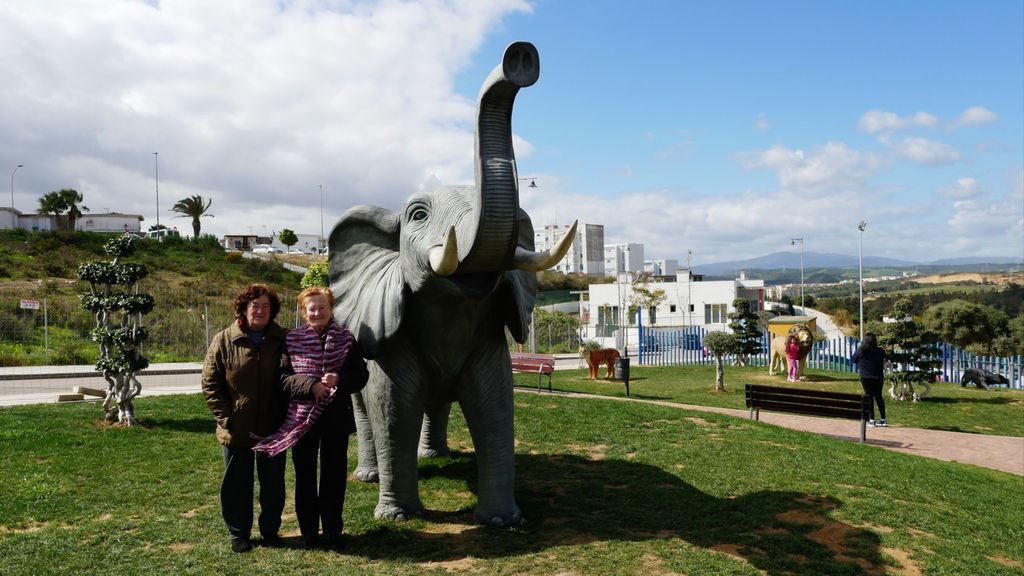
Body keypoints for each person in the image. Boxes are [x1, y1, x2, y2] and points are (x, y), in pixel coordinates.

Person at [253, 286, 368, 551]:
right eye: (311, 308)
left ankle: (332, 531)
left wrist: (340, 378)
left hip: (335, 420)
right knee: (304, 477)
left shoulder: (346, 339)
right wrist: (311, 386)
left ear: (330, 309)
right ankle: (309, 533)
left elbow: (361, 375)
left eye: (322, 307)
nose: (317, 312)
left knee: (334, 477)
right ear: (304, 312)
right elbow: (283, 379)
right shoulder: (292, 340)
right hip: (302, 421)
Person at [202, 284, 288, 553]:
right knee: (237, 484)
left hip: (273, 427)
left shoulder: (283, 338)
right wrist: (226, 418)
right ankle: (238, 533)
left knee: (273, 483)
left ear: (272, 310)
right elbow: (210, 382)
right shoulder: (224, 340)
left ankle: (270, 530)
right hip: (236, 428)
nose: (260, 310)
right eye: (255, 306)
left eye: (266, 306)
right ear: (243, 308)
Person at [852, 332, 888, 427]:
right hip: (878, 377)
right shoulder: (880, 350)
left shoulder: (861, 351)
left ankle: (871, 420)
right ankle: (883, 419)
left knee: (869, 397)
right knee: (879, 397)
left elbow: (854, 359)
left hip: (866, 378)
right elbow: (885, 358)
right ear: (875, 340)